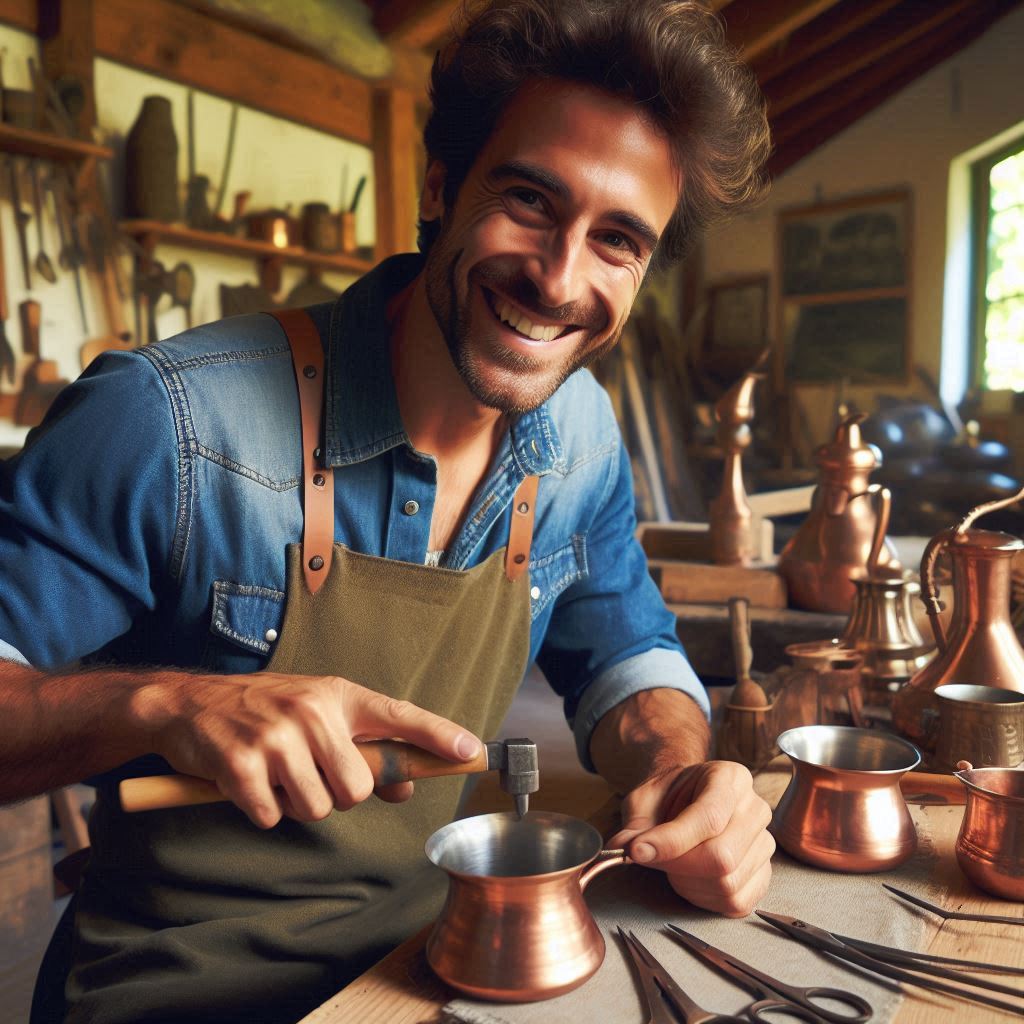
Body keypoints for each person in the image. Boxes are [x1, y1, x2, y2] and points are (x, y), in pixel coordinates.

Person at [1, 1, 773, 1020]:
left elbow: (628, 653)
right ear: (443, 188)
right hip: (177, 994)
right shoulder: (173, 422)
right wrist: (169, 706)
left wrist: (681, 768)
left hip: (428, 974)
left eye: (616, 240)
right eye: (530, 201)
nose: (557, 279)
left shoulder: (579, 437)